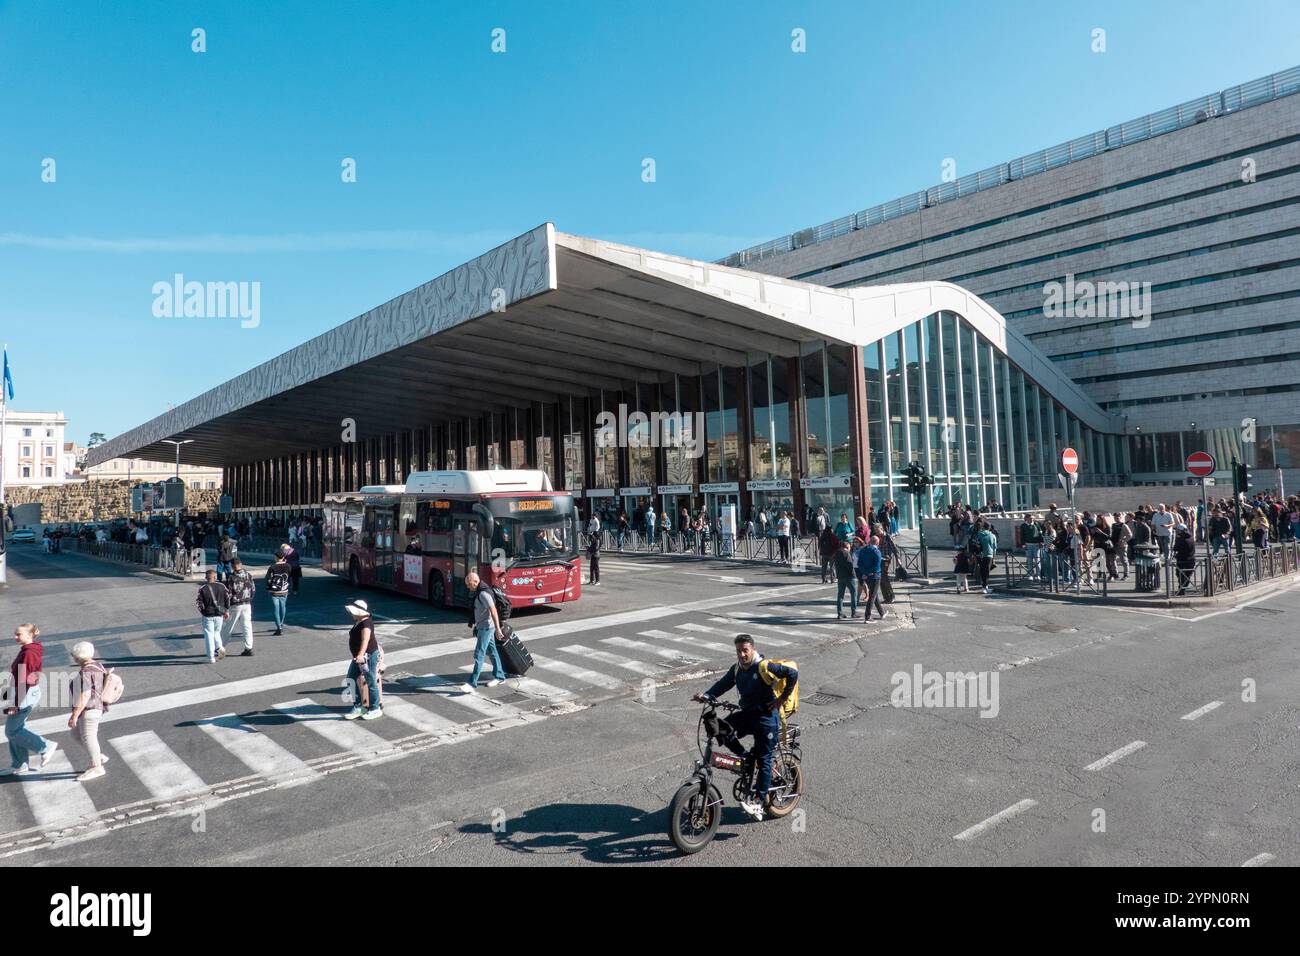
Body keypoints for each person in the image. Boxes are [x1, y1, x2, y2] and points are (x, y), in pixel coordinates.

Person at [692, 635, 798, 821]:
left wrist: (781, 699)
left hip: (767, 719)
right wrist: (707, 695)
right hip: (748, 715)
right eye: (738, 651)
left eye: (745, 650)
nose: (741, 654)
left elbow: (792, 674)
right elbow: (723, 684)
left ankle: (758, 802)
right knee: (720, 728)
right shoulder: (737, 669)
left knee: (764, 758)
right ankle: (746, 757)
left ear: (752, 649)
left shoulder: (764, 666)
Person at [2, 623, 58, 776]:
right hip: (25, 692)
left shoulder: (28, 653)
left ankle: (45, 746)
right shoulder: (29, 649)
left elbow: (23, 680)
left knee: (12, 731)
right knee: (16, 729)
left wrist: (14, 703)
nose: (15, 637)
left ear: (29, 635)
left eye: (18, 634)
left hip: (25, 694)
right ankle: (19, 764)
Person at [67, 641, 112, 781]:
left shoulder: (86, 671)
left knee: (88, 737)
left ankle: (97, 767)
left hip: (90, 709)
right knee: (76, 735)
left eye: (73, 655)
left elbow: (85, 694)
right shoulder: (97, 665)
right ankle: (97, 757)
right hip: (95, 707)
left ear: (77, 657)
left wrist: (74, 715)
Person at [462, 570, 507, 690]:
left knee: (479, 654)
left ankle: (472, 683)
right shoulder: (479, 591)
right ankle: (500, 676)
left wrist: (498, 629)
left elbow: (493, 611)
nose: (467, 586)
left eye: (468, 584)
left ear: (475, 582)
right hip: (484, 626)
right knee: (492, 652)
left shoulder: (483, 594)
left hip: (486, 628)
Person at [342, 599, 383, 719]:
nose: (352, 614)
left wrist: (360, 655)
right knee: (350, 678)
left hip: (367, 656)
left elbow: (365, 641)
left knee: (371, 681)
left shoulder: (366, 624)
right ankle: (359, 706)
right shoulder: (359, 621)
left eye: (353, 612)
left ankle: (375, 708)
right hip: (359, 657)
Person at [224, 557, 256, 656]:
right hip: (247, 604)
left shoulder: (231, 577)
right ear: (240, 564)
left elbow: (228, 593)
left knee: (228, 627)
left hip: (235, 604)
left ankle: (220, 648)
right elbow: (253, 589)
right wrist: (249, 599)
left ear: (232, 566)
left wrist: (226, 607)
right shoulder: (248, 575)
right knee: (247, 626)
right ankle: (248, 648)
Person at [196, 569, 230, 663]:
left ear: (206, 577)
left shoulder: (203, 588)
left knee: (209, 635)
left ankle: (211, 657)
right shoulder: (222, 586)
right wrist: (226, 611)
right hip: (219, 614)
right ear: (215, 577)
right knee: (217, 633)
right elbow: (227, 598)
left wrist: (203, 612)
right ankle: (220, 649)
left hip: (208, 615)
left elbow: (199, 603)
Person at [855, 535, 887, 621]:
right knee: (872, 596)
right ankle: (867, 616)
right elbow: (876, 566)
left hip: (866, 576)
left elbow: (859, 564)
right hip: (875, 576)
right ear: (877, 543)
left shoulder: (863, 550)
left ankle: (882, 613)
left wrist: (865, 573)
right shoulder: (876, 552)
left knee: (874, 594)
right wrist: (869, 573)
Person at [265, 546, 292, 635]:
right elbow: (289, 577)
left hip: (275, 591)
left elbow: (268, 579)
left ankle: (279, 628)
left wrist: (268, 588)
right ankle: (282, 623)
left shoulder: (272, 567)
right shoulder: (288, 566)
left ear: (276, 557)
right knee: (283, 607)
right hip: (284, 590)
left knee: (276, 609)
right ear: (283, 557)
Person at [972, 520, 998, 594]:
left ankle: (984, 586)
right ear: (989, 528)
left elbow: (975, 543)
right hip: (988, 555)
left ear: (983, 527)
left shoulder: (979, 534)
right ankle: (985, 587)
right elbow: (994, 548)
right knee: (986, 571)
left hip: (980, 555)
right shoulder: (993, 536)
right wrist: (994, 558)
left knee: (982, 570)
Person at [833, 540, 857, 619]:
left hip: (840, 576)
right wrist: (854, 575)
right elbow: (850, 566)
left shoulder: (837, 553)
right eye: (850, 547)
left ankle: (840, 613)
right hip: (849, 577)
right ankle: (853, 612)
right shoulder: (847, 553)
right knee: (853, 593)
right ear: (847, 547)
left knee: (840, 595)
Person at [1173, 523, 1197, 596]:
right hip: (1191, 559)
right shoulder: (1191, 537)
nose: (1176, 531)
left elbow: (1176, 548)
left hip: (1182, 559)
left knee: (1180, 575)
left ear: (1181, 531)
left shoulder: (1181, 539)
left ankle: (1182, 589)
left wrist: (1176, 540)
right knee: (1187, 575)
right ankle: (1182, 589)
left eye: (1177, 530)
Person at [1019, 514, 1043, 581]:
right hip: (1028, 544)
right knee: (1029, 560)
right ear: (1026, 519)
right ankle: (1030, 574)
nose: (1031, 519)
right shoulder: (1023, 526)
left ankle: (1038, 575)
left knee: (1037, 560)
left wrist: (1041, 541)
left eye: (1032, 518)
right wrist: (1023, 544)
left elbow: (1040, 533)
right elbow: (1022, 536)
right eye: (1030, 518)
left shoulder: (1036, 524)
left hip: (1036, 544)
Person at [585, 512, 602, 586]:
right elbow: (593, 546)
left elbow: (596, 547)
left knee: (596, 568)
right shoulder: (594, 538)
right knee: (591, 568)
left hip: (596, 555)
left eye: (592, 535)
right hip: (593, 554)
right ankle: (592, 580)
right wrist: (588, 548)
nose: (592, 537)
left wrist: (589, 549)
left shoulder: (597, 538)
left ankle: (597, 581)